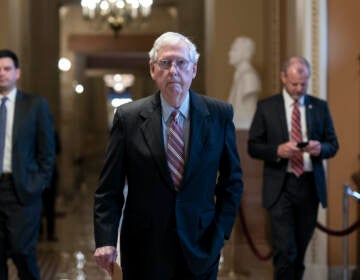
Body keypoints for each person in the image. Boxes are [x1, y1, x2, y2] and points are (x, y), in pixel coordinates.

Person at [93, 32, 244, 280]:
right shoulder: (128, 118)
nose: (173, 70)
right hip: (143, 246)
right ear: (153, 69)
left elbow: (232, 181)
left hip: (201, 243)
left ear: (193, 69)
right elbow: (109, 187)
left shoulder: (218, 115)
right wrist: (106, 240)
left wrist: (220, 232)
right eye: (165, 63)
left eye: (181, 63)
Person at [248, 56, 339, 279]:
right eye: (294, 84)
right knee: (285, 251)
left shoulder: (319, 106)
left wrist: (320, 148)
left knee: (299, 252)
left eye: (303, 84)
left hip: (309, 186)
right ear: (283, 77)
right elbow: (253, 146)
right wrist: (277, 151)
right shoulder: (266, 107)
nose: (299, 89)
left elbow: (333, 145)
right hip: (281, 186)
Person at [0, 49, 55, 279]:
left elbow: (47, 152)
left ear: (17, 73)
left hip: (22, 190)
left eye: (6, 69)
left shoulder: (34, 105)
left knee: (23, 253)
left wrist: (37, 184)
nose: (1, 74)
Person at [227, 36, 261, 130]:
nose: (229, 53)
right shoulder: (240, 76)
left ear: (244, 54)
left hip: (244, 128)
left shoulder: (249, 77)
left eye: (234, 50)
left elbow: (248, 112)